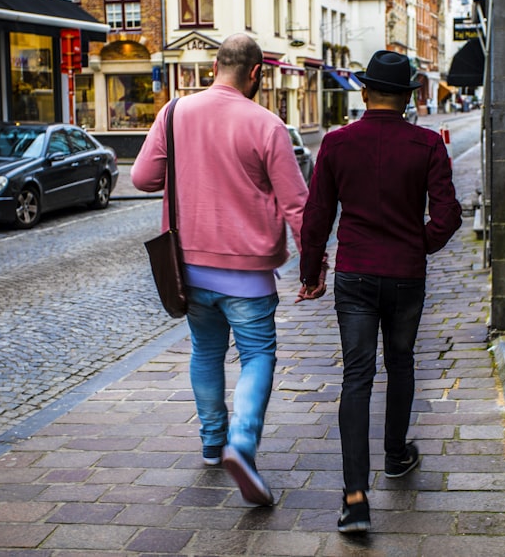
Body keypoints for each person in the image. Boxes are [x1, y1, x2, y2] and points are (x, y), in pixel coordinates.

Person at [132, 33, 318, 506]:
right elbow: (298, 205)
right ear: (256, 72)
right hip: (249, 275)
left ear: (216, 65)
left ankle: (213, 443)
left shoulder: (174, 113)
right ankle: (242, 441)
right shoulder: (268, 124)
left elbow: (142, 178)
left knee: (206, 352)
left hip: (190, 270)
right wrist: (312, 267)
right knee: (257, 356)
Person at [296, 50, 462, 533]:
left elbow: (317, 216)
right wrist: (418, 243)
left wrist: (312, 273)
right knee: (402, 362)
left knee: (357, 376)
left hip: (355, 274)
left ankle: (355, 499)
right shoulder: (428, 144)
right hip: (406, 275)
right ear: (408, 99)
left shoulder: (337, 143)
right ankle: (394, 455)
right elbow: (448, 215)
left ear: (365, 93)